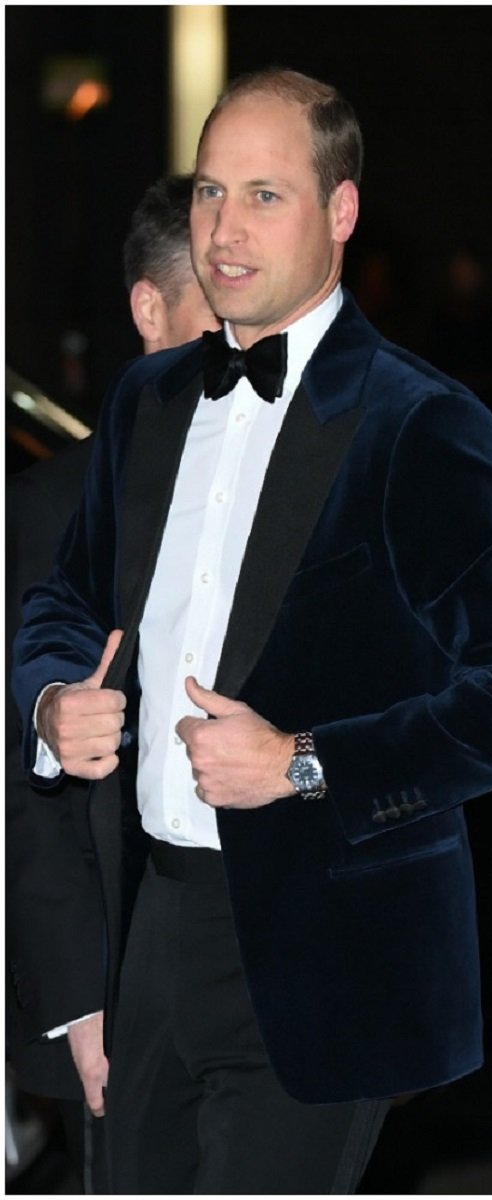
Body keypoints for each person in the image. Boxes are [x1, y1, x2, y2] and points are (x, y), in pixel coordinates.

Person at [12, 68, 492, 1195]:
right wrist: (48, 698)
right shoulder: (148, 403)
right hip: (149, 933)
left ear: (341, 213)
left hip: (325, 961)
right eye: (211, 196)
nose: (224, 233)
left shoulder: (423, 425)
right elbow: (62, 604)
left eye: (264, 197)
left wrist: (304, 762)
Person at [6, 173, 219, 1193]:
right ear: (152, 308)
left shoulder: (306, 490)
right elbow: (25, 790)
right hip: (123, 1002)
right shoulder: (47, 516)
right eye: (222, 312)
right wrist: (80, 1001)